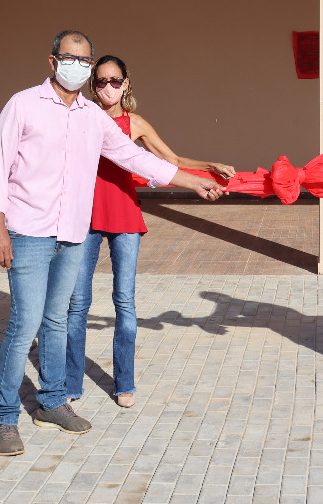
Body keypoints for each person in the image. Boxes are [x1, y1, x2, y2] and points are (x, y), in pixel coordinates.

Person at [0, 30, 224, 458]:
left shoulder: (94, 117)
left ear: (90, 66)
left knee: (57, 319)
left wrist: (193, 182)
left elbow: (137, 159)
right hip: (29, 232)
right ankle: (3, 417)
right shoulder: (22, 105)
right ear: (53, 62)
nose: (77, 65)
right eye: (69, 58)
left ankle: (53, 402)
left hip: (74, 233)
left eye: (84, 60)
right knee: (25, 326)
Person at [65, 54, 236, 409]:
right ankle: (70, 383)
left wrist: (209, 166)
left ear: (126, 84)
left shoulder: (136, 123)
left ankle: (123, 383)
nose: (108, 87)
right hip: (85, 216)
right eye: (101, 81)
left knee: (124, 302)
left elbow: (170, 161)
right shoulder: (82, 116)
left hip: (124, 216)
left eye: (115, 81)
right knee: (77, 304)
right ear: (93, 86)